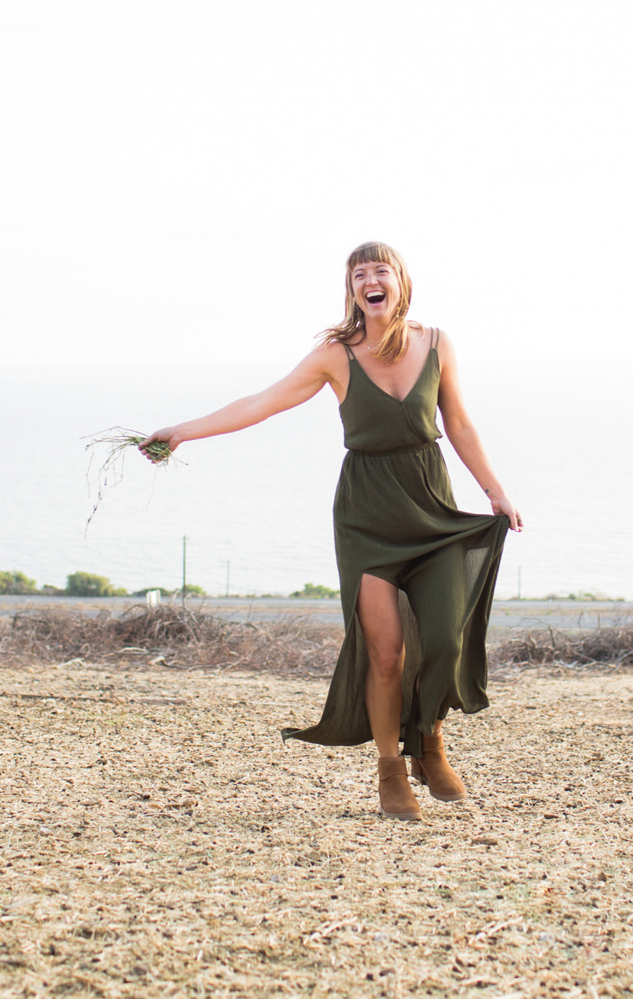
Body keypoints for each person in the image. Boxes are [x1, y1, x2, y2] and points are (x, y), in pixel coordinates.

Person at [143, 243, 521, 820]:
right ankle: (391, 769)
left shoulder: (437, 344)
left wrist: (496, 491)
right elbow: (262, 402)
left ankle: (429, 740)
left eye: (380, 270)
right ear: (352, 289)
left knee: (446, 641)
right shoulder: (335, 355)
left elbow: (460, 424)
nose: (370, 280)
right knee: (386, 654)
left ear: (400, 281)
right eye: (359, 274)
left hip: (431, 506)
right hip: (367, 517)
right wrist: (183, 431)